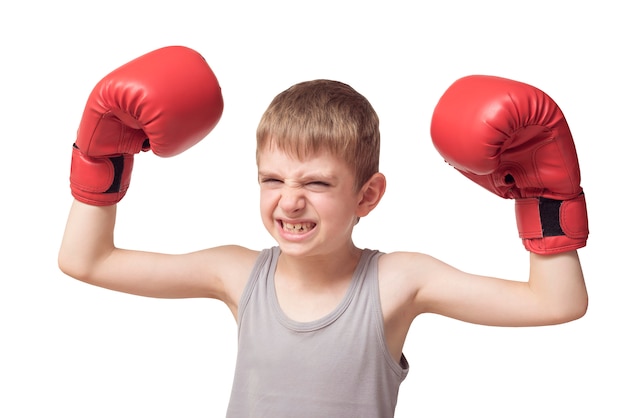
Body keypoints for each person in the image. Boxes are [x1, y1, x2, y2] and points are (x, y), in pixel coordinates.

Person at [58, 46, 589, 418]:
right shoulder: (238, 273)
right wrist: (102, 160)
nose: (290, 200)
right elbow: (87, 261)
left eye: (316, 182)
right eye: (272, 179)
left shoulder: (398, 281)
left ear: (367, 196)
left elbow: (555, 303)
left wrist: (544, 201)